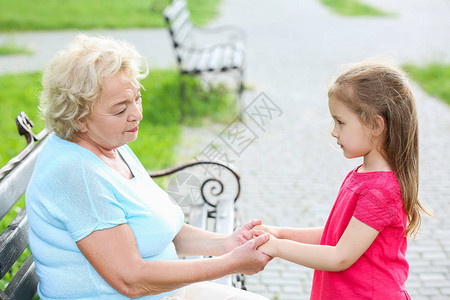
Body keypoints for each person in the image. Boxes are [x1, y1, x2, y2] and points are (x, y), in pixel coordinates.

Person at [25, 34, 271, 300]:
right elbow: (131, 281)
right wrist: (230, 263)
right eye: (120, 109)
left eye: (137, 99)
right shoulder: (77, 173)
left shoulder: (111, 145)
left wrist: (224, 244)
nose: (137, 114)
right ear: (79, 118)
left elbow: (159, 229)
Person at [254, 61, 432, 299]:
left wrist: (276, 247)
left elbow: (340, 256)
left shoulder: (381, 190)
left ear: (375, 125)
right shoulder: (362, 175)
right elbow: (335, 235)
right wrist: (280, 233)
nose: (334, 132)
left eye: (341, 122)